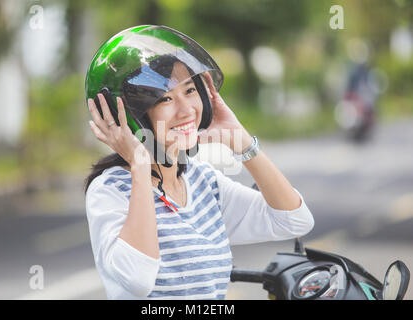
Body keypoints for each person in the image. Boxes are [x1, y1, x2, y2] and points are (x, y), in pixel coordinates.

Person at [83, 25, 314, 300]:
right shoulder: (109, 190)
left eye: (190, 91)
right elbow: (138, 279)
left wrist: (238, 138)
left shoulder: (202, 181)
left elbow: (294, 221)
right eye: (165, 98)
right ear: (131, 115)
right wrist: (140, 167)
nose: (186, 110)